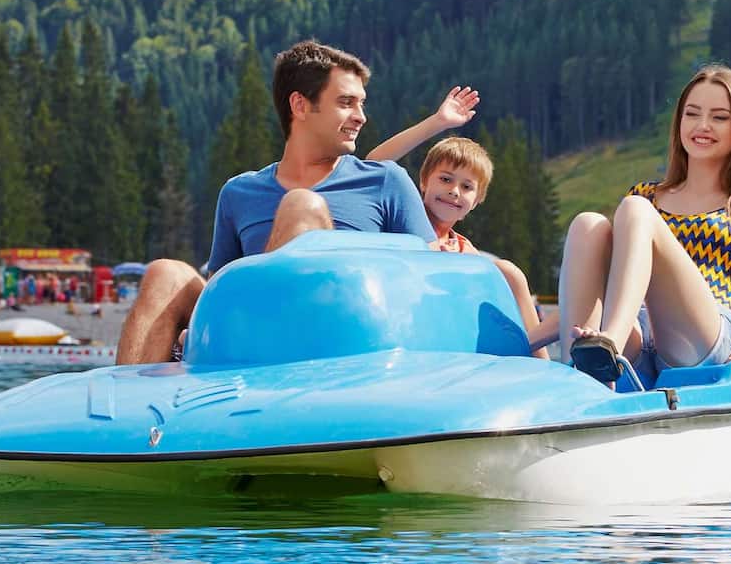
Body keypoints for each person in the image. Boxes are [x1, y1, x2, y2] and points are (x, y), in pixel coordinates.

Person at [115, 40, 436, 365]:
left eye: (361, 104)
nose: (361, 117)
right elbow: (219, 290)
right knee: (164, 273)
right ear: (299, 105)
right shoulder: (239, 193)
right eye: (346, 103)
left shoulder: (384, 182)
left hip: (344, 338)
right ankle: (131, 406)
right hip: (244, 338)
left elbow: (430, 278)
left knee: (301, 207)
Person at [557, 65, 731, 389]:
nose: (703, 126)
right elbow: (602, 281)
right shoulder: (646, 194)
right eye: (692, 114)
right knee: (588, 225)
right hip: (637, 329)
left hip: (702, 334)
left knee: (636, 211)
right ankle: (582, 373)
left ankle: (608, 344)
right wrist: (530, 341)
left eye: (719, 117)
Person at [367, 90, 554, 352]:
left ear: (477, 200)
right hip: (401, 328)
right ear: (423, 182)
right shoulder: (403, 218)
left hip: (453, 338)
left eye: (467, 187)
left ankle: (540, 363)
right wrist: (438, 122)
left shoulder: (467, 252)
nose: (454, 191)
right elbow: (373, 166)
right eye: (445, 179)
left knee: (510, 272)